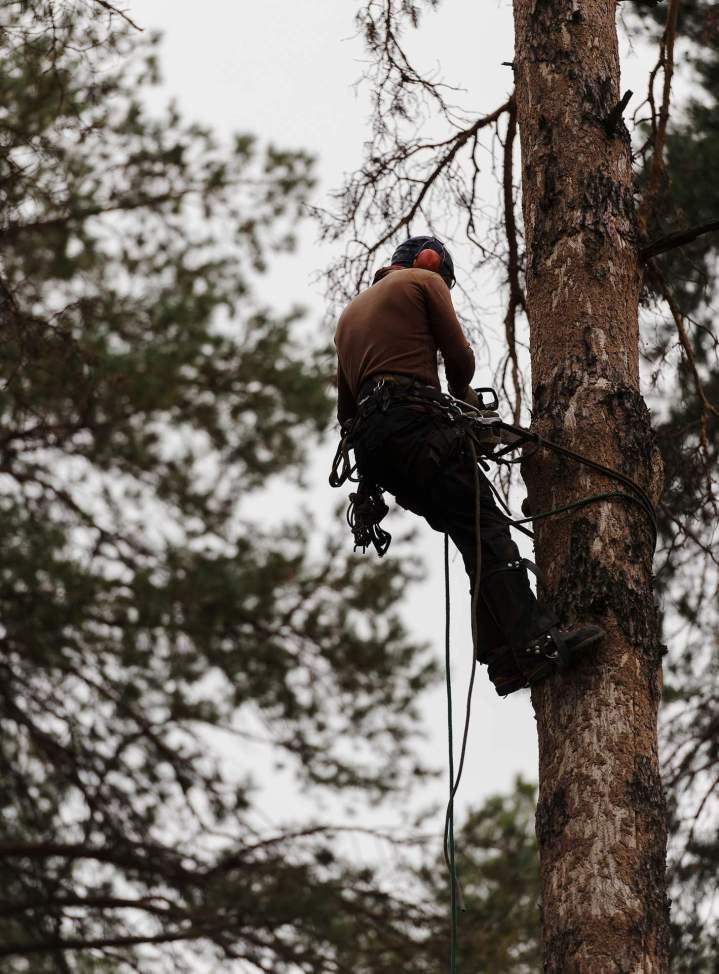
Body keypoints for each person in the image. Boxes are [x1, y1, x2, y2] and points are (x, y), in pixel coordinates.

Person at [334, 234, 604, 696]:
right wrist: (464, 406)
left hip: (377, 452)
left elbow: (346, 413)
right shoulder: (423, 279)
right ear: (428, 260)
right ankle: (537, 643)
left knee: (473, 535)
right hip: (415, 428)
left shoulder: (347, 319)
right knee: (489, 530)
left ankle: (503, 660)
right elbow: (459, 358)